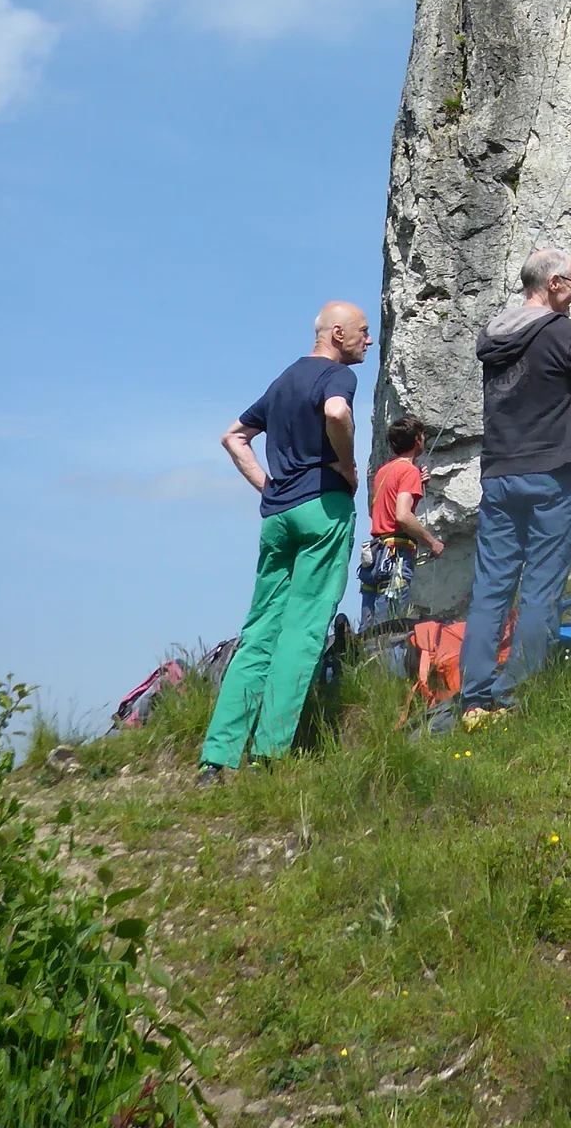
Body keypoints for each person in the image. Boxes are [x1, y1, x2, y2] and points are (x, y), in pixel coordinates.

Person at [197, 301, 371, 783]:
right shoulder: (337, 378)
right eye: (363, 332)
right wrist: (349, 467)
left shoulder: (282, 380)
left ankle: (216, 758)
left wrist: (268, 485)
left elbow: (234, 437)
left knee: (258, 633)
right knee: (303, 628)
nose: (369, 341)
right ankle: (268, 754)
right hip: (323, 507)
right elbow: (337, 413)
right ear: (338, 334)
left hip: (277, 515)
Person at [451, 247, 571, 726]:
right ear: (556, 284)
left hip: (499, 472)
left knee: (490, 588)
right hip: (551, 472)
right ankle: (518, 691)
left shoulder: (493, 335)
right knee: (541, 587)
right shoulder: (564, 332)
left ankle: (475, 696)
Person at [360, 414, 445, 631]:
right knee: (388, 627)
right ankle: (385, 662)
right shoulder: (408, 471)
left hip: (375, 553)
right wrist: (431, 542)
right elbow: (403, 516)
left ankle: (363, 663)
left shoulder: (383, 472)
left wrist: (417, 481)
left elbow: (377, 510)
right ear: (417, 439)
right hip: (395, 554)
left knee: (369, 625)